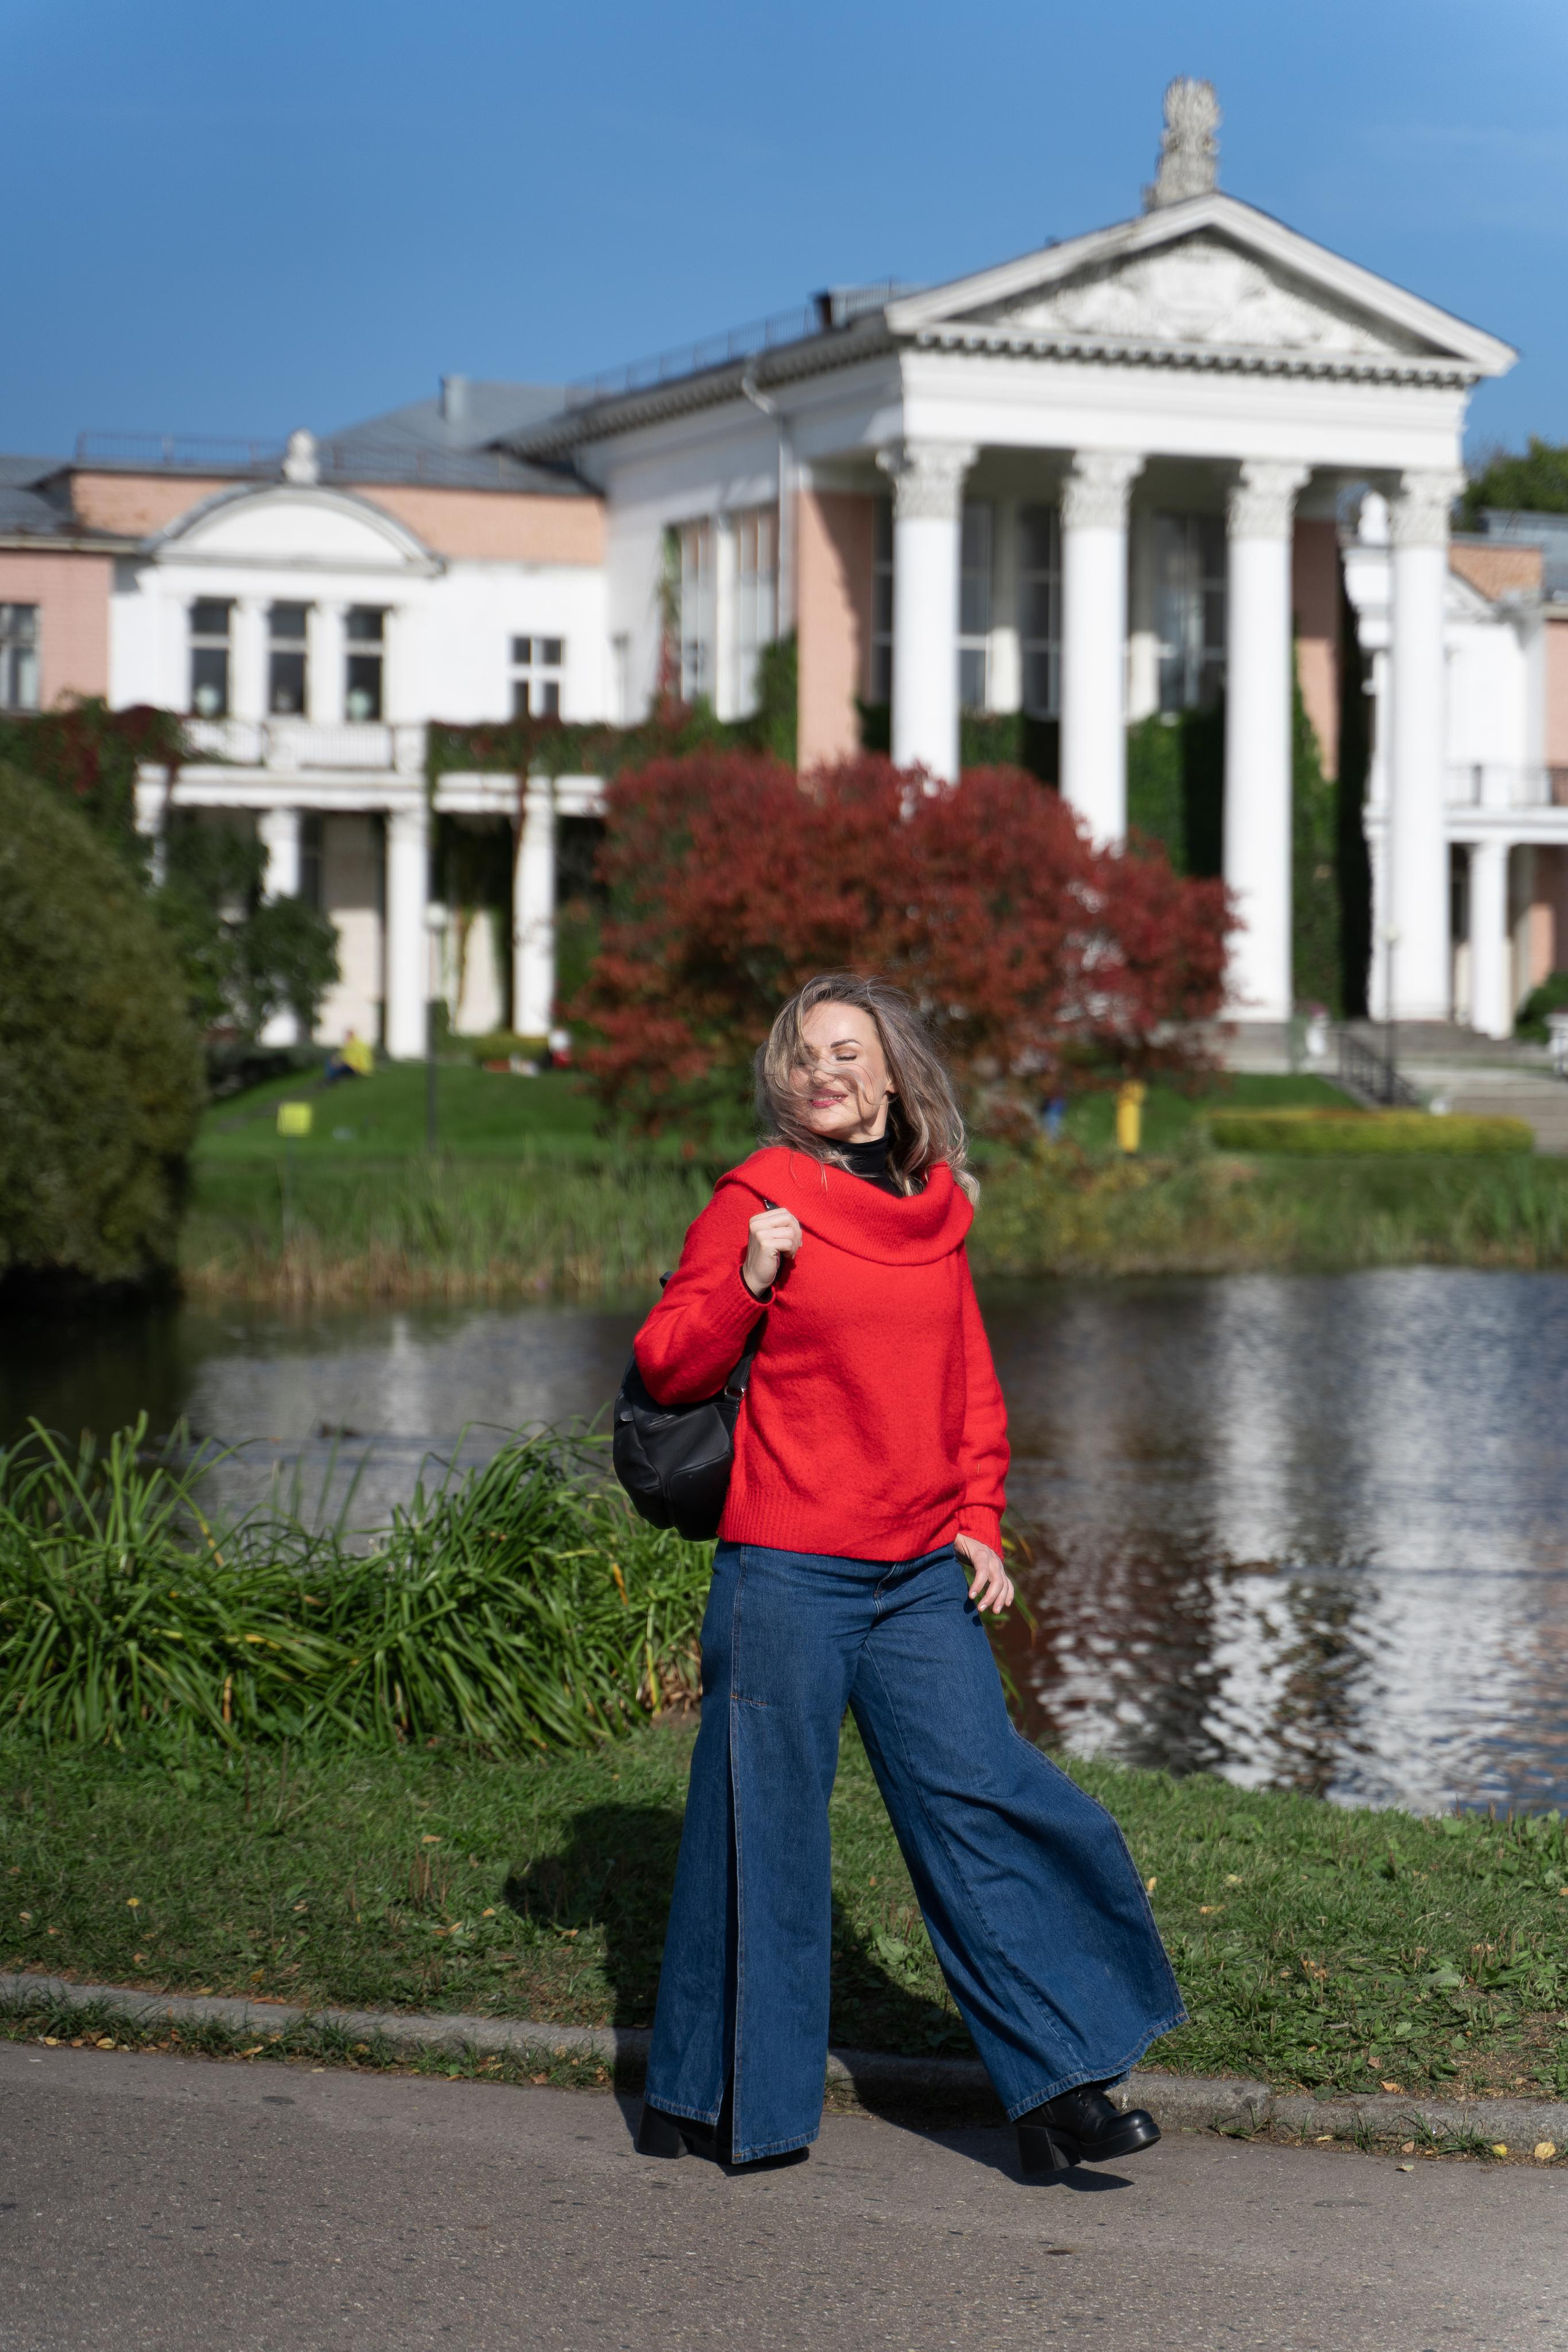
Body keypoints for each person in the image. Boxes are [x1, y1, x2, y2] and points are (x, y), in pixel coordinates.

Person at [631, 973, 1185, 2175]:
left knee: (983, 1799)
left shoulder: (935, 1212)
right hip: (785, 1572)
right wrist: (747, 1284)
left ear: (891, 1076)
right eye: (802, 1054)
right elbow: (667, 1366)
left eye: (846, 1051)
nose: (821, 1070)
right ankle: (712, 2096)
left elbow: (968, 1389)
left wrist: (977, 1517)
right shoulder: (759, 1196)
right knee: (760, 1828)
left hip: (918, 1577)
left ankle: (1056, 2088)